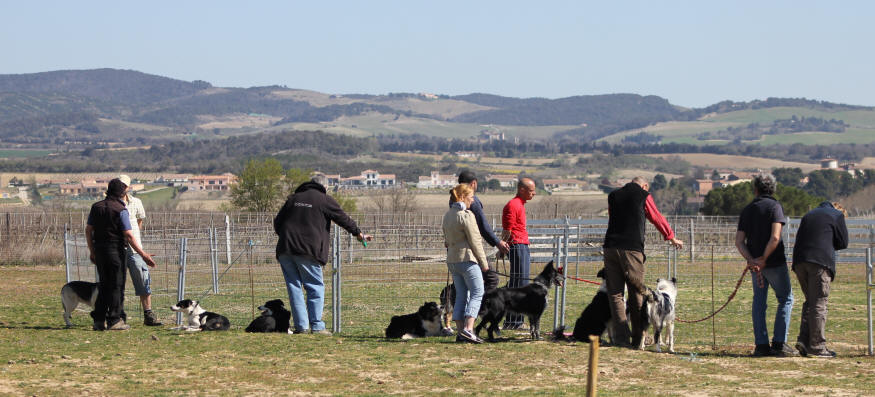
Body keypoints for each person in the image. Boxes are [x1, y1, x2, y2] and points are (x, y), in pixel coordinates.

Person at [274, 179, 371, 335]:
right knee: (314, 287)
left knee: (294, 288)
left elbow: (277, 222)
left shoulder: (293, 199)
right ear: (322, 188)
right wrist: (359, 234)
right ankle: (317, 326)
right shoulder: (323, 199)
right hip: (308, 250)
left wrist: (287, 237)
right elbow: (343, 218)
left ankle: (302, 327)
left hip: (285, 250)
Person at [603, 176, 683, 347]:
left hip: (610, 246)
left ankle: (621, 338)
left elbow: (612, 217)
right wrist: (671, 237)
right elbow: (656, 217)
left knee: (616, 294)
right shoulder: (643, 195)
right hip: (632, 248)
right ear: (644, 186)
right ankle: (640, 338)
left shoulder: (613, 195)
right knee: (636, 291)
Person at [735, 174, 796, 357]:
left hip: (756, 266)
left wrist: (752, 260)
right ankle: (779, 343)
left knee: (759, 302)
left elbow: (739, 241)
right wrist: (764, 258)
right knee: (785, 298)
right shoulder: (775, 207)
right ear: (773, 189)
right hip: (774, 262)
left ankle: (761, 345)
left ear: (756, 189)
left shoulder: (747, 210)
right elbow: (775, 237)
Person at [85, 178, 156, 331]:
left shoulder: (96, 207)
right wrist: (143, 254)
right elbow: (129, 235)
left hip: (100, 251)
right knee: (116, 286)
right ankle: (114, 320)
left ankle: (98, 320)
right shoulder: (120, 209)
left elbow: (88, 230)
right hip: (115, 251)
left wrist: (92, 251)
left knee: (104, 285)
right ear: (122, 192)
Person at [792, 201, 848, 358]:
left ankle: (804, 340)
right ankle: (817, 347)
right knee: (819, 303)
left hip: (799, 261)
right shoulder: (837, 215)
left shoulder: (809, 214)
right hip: (819, 262)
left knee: (810, 301)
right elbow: (843, 242)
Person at [443, 183, 489, 343]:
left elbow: (447, 241)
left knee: (462, 295)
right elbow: (475, 241)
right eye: (471, 198)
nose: (473, 201)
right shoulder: (466, 215)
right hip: (467, 260)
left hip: (453, 261)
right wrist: (484, 263)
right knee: (477, 292)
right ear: (462, 197)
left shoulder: (448, 215)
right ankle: (469, 329)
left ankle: (460, 331)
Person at [117, 175, 162, 326]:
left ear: (128, 187)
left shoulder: (136, 203)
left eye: (125, 185)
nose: (123, 188)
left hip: (135, 250)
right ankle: (116, 315)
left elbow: (139, 221)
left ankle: (148, 314)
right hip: (117, 249)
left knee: (143, 280)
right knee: (116, 283)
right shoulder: (111, 204)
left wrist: (135, 240)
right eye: (120, 185)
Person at [456, 170, 510, 294]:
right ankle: (481, 306)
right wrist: (498, 243)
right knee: (492, 279)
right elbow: (483, 227)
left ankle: (458, 308)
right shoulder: (472, 202)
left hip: (455, 252)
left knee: (462, 285)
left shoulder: (453, 200)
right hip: (470, 251)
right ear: (473, 183)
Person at [500, 177, 536, 330]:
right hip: (516, 245)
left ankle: (517, 320)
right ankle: (513, 322)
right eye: (531, 190)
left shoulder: (520, 204)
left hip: (522, 244)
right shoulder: (513, 205)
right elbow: (507, 230)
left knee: (523, 283)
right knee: (518, 283)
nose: (533, 193)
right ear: (522, 189)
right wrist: (502, 248)